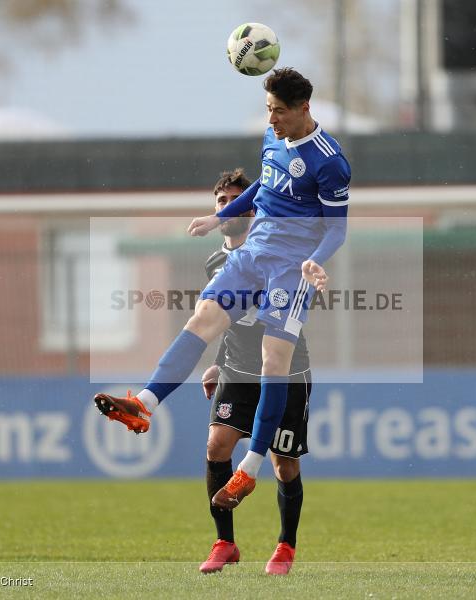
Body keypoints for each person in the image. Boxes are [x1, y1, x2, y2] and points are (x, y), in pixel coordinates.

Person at [94, 67, 350, 511]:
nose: (272, 120)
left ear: (304, 108)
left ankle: (249, 469)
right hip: (253, 255)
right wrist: (219, 216)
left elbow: (337, 229)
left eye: (279, 112)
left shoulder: (330, 161)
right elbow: (263, 186)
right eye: (268, 110)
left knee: (275, 360)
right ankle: (145, 404)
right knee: (202, 319)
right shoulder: (272, 138)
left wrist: (315, 260)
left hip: (291, 271)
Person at [198, 169, 311, 576]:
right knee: (217, 446)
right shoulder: (214, 263)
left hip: (285, 371)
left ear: (252, 209)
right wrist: (216, 361)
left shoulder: (276, 252)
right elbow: (224, 319)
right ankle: (225, 543)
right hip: (237, 369)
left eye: (235, 200)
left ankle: (285, 546)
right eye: (221, 201)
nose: (228, 207)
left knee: (285, 465)